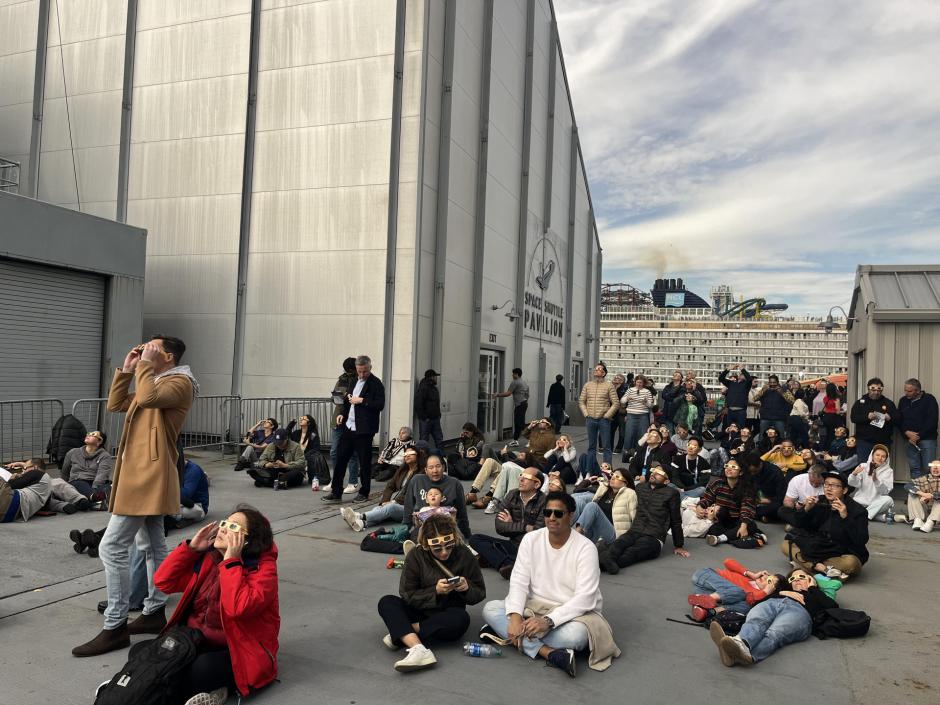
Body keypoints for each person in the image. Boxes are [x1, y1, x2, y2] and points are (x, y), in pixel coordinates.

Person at [73, 335, 197, 657]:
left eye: (152, 347)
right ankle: (154, 611)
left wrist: (143, 367)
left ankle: (114, 626)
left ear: (167, 356)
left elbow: (149, 397)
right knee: (151, 545)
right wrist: (127, 369)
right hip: (142, 473)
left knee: (111, 546)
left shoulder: (180, 383)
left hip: (148, 475)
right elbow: (116, 404)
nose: (144, 349)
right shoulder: (152, 379)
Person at [148, 504, 279, 703]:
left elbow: (237, 609)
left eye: (234, 528)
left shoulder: (262, 572)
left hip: (238, 650)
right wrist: (190, 549)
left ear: (247, 541)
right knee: (144, 652)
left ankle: (151, 690)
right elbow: (163, 582)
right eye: (225, 523)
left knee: (202, 669)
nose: (224, 529)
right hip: (195, 640)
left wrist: (231, 562)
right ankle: (148, 689)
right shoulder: (209, 558)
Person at [480, 492, 619, 678]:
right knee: (490, 609)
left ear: (570, 515)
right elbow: (519, 580)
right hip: (534, 606)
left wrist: (547, 621)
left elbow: (585, 598)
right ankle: (549, 653)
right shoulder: (531, 539)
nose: (552, 518)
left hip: (572, 614)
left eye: (558, 513)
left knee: (576, 637)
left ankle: (507, 634)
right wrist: (514, 617)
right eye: (547, 512)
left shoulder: (586, 548)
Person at [377, 513, 485, 672]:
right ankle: (419, 649)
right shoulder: (416, 555)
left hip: (448, 612)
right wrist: (435, 591)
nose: (444, 553)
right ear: (426, 545)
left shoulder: (463, 553)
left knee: (461, 619)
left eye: (448, 546)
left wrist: (466, 587)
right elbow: (407, 594)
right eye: (437, 549)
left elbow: (480, 592)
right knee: (386, 602)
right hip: (419, 609)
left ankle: (402, 633)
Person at [710, 567, 838, 667]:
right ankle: (739, 644)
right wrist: (781, 592)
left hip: (800, 612)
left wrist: (813, 588)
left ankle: (745, 653)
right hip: (773, 603)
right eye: (792, 579)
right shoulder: (781, 592)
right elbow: (756, 604)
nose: (796, 580)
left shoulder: (817, 595)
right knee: (756, 621)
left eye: (801, 576)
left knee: (774, 633)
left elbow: (832, 607)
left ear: (811, 579)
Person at [596, 464, 689, 573]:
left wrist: (679, 545)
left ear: (667, 481)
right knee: (620, 543)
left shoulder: (672, 493)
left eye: (659, 473)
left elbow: (676, 520)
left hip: (654, 536)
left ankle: (603, 564)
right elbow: (623, 492)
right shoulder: (640, 487)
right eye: (654, 470)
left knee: (633, 552)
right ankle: (607, 560)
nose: (654, 473)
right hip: (635, 529)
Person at [779, 470, 869, 580]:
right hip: (816, 547)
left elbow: (861, 540)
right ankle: (821, 568)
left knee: (852, 563)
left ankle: (806, 565)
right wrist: (806, 509)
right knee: (786, 544)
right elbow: (799, 524)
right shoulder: (819, 501)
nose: (829, 488)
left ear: (844, 490)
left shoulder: (857, 510)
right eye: (826, 484)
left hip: (839, 552)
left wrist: (845, 517)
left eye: (835, 486)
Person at [323, 355, 385, 503]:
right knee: (340, 459)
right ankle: (336, 492)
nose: (362, 374)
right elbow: (347, 400)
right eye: (359, 371)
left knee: (364, 462)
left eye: (365, 371)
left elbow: (380, 405)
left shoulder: (376, 383)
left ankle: (364, 492)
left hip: (364, 429)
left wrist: (362, 400)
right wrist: (342, 415)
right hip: (349, 426)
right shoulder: (353, 380)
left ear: (370, 367)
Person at [469, 470, 547, 579]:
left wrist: (512, 525)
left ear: (537, 484)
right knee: (475, 539)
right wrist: (525, 527)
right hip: (514, 544)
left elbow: (537, 532)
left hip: (532, 549)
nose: (521, 479)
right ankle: (507, 564)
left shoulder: (544, 501)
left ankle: (498, 560)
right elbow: (500, 527)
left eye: (527, 477)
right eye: (521, 476)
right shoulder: (512, 494)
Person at [341, 448, 423, 532]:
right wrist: (385, 501)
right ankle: (362, 523)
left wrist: (394, 502)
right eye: (405, 454)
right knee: (380, 509)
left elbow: (412, 494)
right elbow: (390, 485)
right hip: (397, 501)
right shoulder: (403, 469)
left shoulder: (421, 473)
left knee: (391, 507)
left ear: (418, 455)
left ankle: (360, 516)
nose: (407, 455)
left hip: (410, 508)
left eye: (411, 453)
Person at [695, 459, 764, 548]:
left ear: (741, 472)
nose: (729, 469)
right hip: (722, 519)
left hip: (739, 520)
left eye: (733, 467)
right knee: (713, 530)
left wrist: (743, 526)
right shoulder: (718, 483)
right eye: (727, 466)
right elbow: (707, 498)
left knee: (749, 525)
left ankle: (720, 539)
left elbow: (746, 508)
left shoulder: (746, 487)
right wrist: (699, 506)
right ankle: (749, 537)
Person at [688, 559, 782, 621]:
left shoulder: (758, 595)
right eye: (768, 576)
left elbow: (750, 599)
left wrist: (765, 592)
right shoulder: (749, 577)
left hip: (704, 590)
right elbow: (727, 561)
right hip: (705, 576)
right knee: (739, 592)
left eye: (769, 581)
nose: (765, 577)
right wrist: (750, 574)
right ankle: (707, 599)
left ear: (771, 589)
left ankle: (706, 610)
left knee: (745, 607)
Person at [402, 454, 470, 537]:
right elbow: (408, 506)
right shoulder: (417, 480)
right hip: (423, 526)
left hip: (445, 526)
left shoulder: (454, 483)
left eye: (438, 466)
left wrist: (467, 535)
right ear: (426, 470)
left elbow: (462, 513)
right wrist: (405, 529)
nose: (435, 470)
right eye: (431, 468)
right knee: (412, 539)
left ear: (443, 467)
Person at [573, 469, 636, 543]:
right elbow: (577, 490)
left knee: (592, 506)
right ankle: (568, 535)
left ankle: (574, 539)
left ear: (626, 483)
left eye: (617, 477)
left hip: (615, 535)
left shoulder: (630, 494)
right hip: (596, 531)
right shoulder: (604, 489)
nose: (612, 478)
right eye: (612, 475)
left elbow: (635, 519)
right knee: (577, 502)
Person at [849, 377, 898, 465]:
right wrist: (866, 417)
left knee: (881, 468)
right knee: (863, 466)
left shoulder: (888, 403)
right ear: (868, 388)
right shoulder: (860, 403)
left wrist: (889, 418)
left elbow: (897, 420)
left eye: (879, 390)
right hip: (864, 441)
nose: (876, 392)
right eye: (873, 389)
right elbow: (853, 418)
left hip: (882, 442)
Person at [578, 363, 620, 464]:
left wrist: (607, 415)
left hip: (604, 420)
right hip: (590, 419)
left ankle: (607, 469)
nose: (596, 371)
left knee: (606, 446)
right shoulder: (588, 385)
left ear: (604, 373)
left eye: (599, 369)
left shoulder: (609, 386)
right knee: (591, 446)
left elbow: (616, 403)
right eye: (595, 369)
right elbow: (581, 401)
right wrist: (586, 414)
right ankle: (591, 468)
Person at [898, 378, 938, 480]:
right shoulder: (903, 401)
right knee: (914, 468)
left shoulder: (929, 400)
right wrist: (906, 432)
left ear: (918, 391)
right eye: (905, 390)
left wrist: (918, 436)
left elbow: (932, 421)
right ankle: (916, 492)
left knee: (929, 468)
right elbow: (899, 420)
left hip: (927, 439)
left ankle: (930, 494)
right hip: (909, 440)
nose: (906, 393)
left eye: (909, 391)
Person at [330, 357, 360, 492]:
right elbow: (335, 398)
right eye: (347, 371)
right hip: (339, 417)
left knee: (352, 452)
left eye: (351, 370)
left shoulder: (362, 380)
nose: (349, 373)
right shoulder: (341, 379)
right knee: (334, 451)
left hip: (353, 418)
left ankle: (353, 481)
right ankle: (336, 481)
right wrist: (338, 397)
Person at [60, 430, 113, 499]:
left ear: (99, 441)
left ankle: (95, 499)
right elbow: (65, 472)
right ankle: (97, 498)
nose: (89, 435)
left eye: (93, 434)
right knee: (79, 484)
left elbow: (102, 475)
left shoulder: (105, 456)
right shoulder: (73, 452)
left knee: (107, 486)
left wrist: (94, 488)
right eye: (89, 433)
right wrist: (63, 487)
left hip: (95, 483)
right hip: (78, 481)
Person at [847, 444, 895, 521]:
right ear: (872, 456)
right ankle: (874, 516)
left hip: (876, 504)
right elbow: (853, 483)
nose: (880, 458)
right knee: (848, 503)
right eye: (877, 455)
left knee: (888, 500)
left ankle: (862, 515)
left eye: (883, 456)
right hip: (860, 502)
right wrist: (854, 474)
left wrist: (876, 480)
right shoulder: (863, 466)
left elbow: (885, 491)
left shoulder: (888, 471)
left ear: (886, 459)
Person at [165, 456, 210, 530]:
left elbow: (185, 495)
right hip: (180, 503)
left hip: (197, 506)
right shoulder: (173, 469)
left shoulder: (193, 470)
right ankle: (175, 519)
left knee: (165, 510)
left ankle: (173, 519)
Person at [286, 414, 329, 487]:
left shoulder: (313, 434)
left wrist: (305, 456)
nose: (301, 419)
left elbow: (316, 448)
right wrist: (291, 424)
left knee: (314, 456)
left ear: (309, 423)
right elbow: (286, 434)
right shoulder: (296, 433)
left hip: (307, 456)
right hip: (296, 456)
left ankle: (315, 477)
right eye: (301, 418)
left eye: (304, 419)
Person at [744, 453, 788, 522]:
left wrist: (768, 500)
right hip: (758, 498)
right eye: (751, 472)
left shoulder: (774, 472)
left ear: (760, 464)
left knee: (778, 509)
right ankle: (761, 516)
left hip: (773, 500)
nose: (752, 474)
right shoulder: (750, 470)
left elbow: (782, 495)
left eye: (754, 471)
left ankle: (751, 514)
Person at [491, 368, 529, 442]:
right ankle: (515, 440)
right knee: (519, 423)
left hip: (520, 404)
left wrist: (497, 394)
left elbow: (508, 393)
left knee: (519, 424)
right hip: (523, 404)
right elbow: (527, 394)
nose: (512, 375)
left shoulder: (515, 382)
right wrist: (524, 400)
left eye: (513, 373)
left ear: (517, 374)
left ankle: (531, 439)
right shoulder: (524, 382)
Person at [620, 373, 655, 454]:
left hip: (643, 415)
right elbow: (622, 401)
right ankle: (627, 452)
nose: (639, 384)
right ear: (635, 382)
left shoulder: (647, 392)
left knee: (642, 435)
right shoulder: (630, 390)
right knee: (629, 434)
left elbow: (651, 406)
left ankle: (640, 453)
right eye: (638, 382)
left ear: (644, 383)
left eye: (641, 382)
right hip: (631, 414)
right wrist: (627, 398)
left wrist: (646, 402)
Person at [754, 375, 794, 441]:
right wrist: (763, 390)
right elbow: (755, 398)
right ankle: (761, 450)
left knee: (781, 436)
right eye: (771, 382)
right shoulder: (764, 389)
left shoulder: (783, 390)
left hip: (779, 418)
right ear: (768, 383)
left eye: (774, 382)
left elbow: (792, 401)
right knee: (762, 436)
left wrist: (782, 393)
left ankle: (780, 450)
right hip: (765, 417)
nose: (772, 384)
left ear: (777, 382)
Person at [906, 459, 940, 532]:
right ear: (930, 468)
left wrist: (930, 496)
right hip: (924, 512)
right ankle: (918, 520)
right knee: (913, 492)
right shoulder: (924, 478)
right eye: (933, 466)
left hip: (937, 515)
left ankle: (930, 522)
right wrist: (922, 494)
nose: (935, 468)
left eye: (938, 466)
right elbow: (908, 485)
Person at [414, 369, 443, 451]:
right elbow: (418, 404)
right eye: (435, 377)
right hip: (426, 420)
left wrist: (438, 414)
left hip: (435, 418)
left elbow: (435, 403)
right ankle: (423, 459)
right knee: (424, 441)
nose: (436, 378)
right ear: (431, 377)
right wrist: (424, 417)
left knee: (439, 439)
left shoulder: (433, 388)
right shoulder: (423, 388)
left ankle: (441, 458)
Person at [719, 365, 753, 430]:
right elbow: (721, 378)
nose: (742, 375)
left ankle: (739, 440)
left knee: (740, 428)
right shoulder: (731, 383)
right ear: (739, 376)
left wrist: (742, 369)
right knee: (730, 428)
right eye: (741, 374)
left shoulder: (746, 385)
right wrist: (728, 369)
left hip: (741, 411)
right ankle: (730, 439)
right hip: (730, 410)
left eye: (744, 375)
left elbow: (749, 379)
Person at [610, 374, 629, 453]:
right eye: (616, 377)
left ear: (623, 380)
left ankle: (619, 447)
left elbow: (622, 399)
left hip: (622, 412)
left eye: (619, 378)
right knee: (610, 430)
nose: (617, 379)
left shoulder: (626, 388)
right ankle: (610, 447)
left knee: (622, 432)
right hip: (612, 412)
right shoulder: (610, 387)